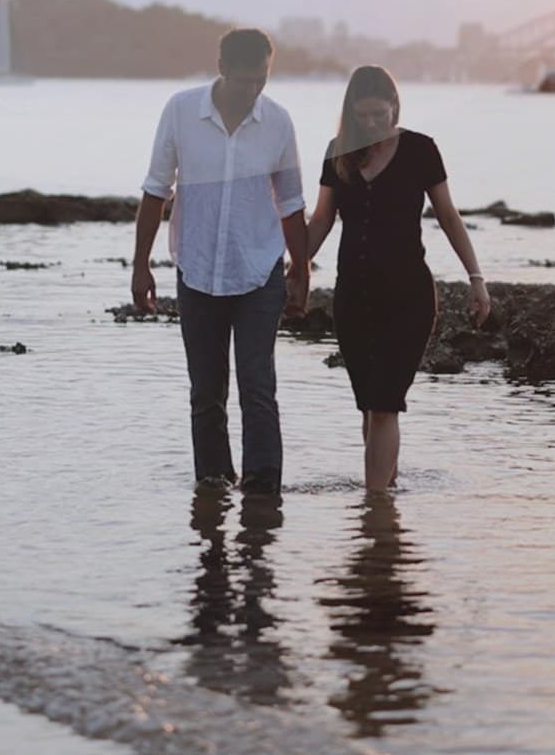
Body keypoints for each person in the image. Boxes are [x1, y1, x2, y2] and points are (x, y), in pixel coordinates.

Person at [132, 27, 309, 495]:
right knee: (206, 394)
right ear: (223, 69)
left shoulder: (278, 122)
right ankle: (212, 491)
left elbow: (291, 203)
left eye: (263, 80)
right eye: (246, 80)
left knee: (258, 387)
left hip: (259, 271)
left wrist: (302, 272)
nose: (254, 90)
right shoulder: (180, 111)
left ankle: (263, 494)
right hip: (197, 269)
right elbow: (155, 190)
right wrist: (140, 266)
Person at [305, 66, 490, 491]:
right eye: (362, 117)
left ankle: (373, 509)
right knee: (370, 407)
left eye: (378, 115)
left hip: (407, 296)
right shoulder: (339, 151)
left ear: (395, 105)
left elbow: (448, 216)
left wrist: (476, 278)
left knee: (386, 404)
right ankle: (384, 503)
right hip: (353, 295)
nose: (371, 124)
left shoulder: (421, 150)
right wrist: (293, 271)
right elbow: (321, 221)